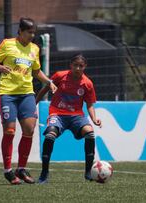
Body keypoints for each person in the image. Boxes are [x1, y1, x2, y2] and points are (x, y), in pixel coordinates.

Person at [0, 17, 57, 185]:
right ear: (20, 31)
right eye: (29, 32)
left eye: (34, 32)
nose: (32, 35)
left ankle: (22, 169)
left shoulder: (34, 48)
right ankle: (8, 170)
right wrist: (0, 67)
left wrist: (48, 82)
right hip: (7, 94)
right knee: (10, 131)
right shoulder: (7, 44)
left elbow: (36, 71)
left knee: (30, 129)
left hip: (27, 94)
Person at [35, 54, 102, 184]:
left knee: (90, 132)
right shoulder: (60, 76)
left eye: (81, 66)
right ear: (70, 65)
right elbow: (45, 90)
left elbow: (89, 105)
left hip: (76, 116)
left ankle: (88, 172)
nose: (78, 68)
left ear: (85, 67)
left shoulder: (87, 83)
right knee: (50, 135)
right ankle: (44, 173)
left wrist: (94, 119)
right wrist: (34, 104)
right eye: (75, 65)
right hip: (57, 114)